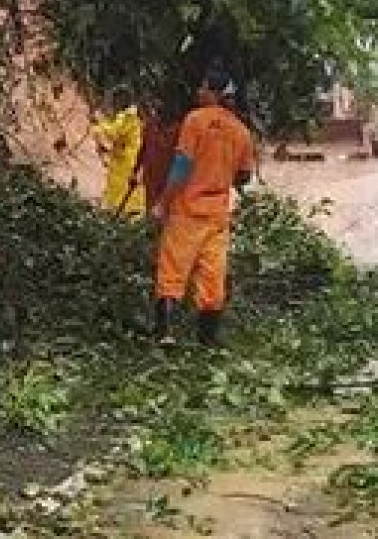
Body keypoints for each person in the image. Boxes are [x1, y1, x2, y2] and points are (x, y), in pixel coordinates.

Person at [151, 69, 256, 346]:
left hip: (187, 209)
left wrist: (163, 202)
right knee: (213, 277)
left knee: (172, 271)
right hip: (217, 214)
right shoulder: (242, 131)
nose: (198, 92)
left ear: (214, 93)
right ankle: (207, 341)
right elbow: (244, 176)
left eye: (202, 87)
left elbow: (182, 165)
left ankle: (166, 334)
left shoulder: (195, 120)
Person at [91, 89, 146, 217]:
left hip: (126, 160)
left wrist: (97, 123)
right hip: (124, 157)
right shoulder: (130, 115)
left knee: (120, 190)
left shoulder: (128, 115)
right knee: (119, 190)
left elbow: (113, 132)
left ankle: (118, 215)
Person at [134, 100, 180, 222]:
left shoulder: (178, 132)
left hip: (166, 181)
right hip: (150, 177)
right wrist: (135, 172)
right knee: (150, 210)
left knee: (162, 214)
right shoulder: (150, 125)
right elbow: (143, 149)